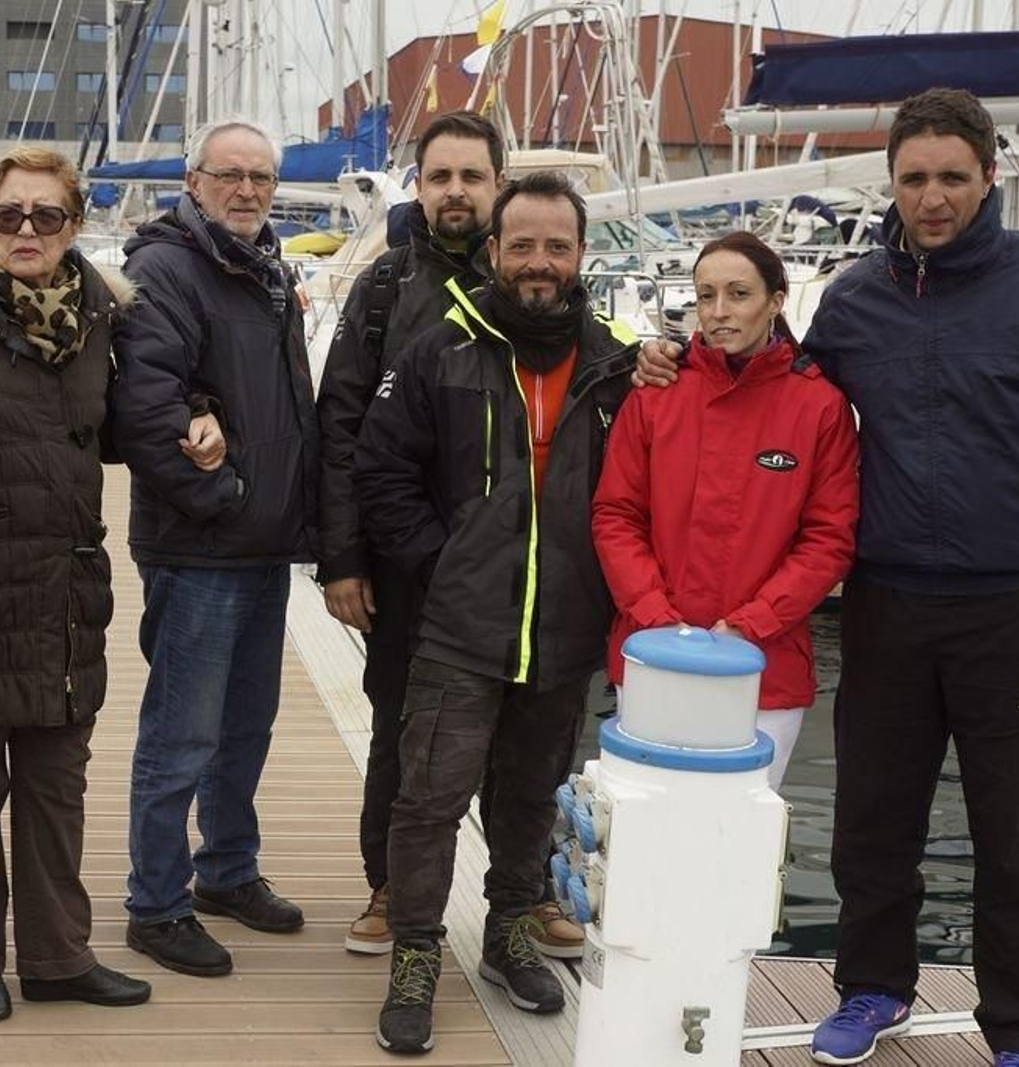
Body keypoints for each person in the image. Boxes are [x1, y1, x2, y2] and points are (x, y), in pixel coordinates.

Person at [637, 89, 1019, 1067]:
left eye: (950, 177)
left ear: (987, 176)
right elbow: (781, 395)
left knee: (1018, 836)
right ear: (890, 184)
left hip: (1015, 601)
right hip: (888, 600)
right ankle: (871, 988)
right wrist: (664, 358)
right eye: (912, 178)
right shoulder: (853, 297)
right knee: (870, 816)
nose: (930, 197)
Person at [0, 148, 225, 1022]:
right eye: (10, 216)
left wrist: (195, 418)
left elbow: (116, 427)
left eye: (46, 216)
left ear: (74, 225)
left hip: (65, 590)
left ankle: (55, 954)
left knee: (55, 784)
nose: (27, 231)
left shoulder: (100, 319)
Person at [353, 171, 638, 1054]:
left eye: (558, 245)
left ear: (582, 255)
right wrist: (444, 564)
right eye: (523, 245)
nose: (540, 262)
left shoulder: (617, 362)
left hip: (563, 626)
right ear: (494, 252)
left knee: (528, 793)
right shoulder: (442, 348)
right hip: (460, 626)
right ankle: (416, 954)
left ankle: (511, 926)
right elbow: (382, 468)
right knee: (428, 799)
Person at [319, 110, 557, 957]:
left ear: (500, 182)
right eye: (440, 176)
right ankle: (391, 883)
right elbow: (341, 424)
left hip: (520, 565)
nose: (456, 191)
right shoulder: (386, 286)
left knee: (526, 731)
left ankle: (526, 892)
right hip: (412, 559)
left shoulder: (541, 284)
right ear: (418, 186)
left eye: (473, 176)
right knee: (400, 724)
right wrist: (343, 557)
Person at [110, 118, 320, 977]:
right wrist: (223, 494)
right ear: (192, 183)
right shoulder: (165, 268)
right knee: (180, 736)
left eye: (261, 179)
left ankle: (226, 870)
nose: (246, 191)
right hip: (202, 547)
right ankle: (155, 905)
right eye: (228, 175)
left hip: (261, 545)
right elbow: (144, 410)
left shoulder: (263, 267)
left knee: (245, 727)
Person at [593, 231, 859, 792]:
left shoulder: (819, 407)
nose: (718, 312)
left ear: (776, 300)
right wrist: (657, 618)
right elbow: (616, 515)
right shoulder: (655, 395)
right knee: (650, 830)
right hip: (651, 657)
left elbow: (829, 538)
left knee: (737, 837)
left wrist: (750, 623)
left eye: (738, 294)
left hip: (765, 667)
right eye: (705, 295)